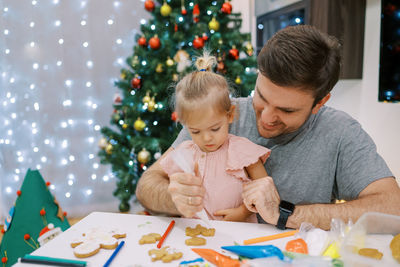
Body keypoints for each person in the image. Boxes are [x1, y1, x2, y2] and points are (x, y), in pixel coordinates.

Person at [136, 25, 400, 230]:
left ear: (320, 103)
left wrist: (287, 213)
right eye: (261, 97)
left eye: (287, 110)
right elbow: (147, 185)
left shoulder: (340, 132)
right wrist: (173, 198)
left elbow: (393, 208)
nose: (267, 118)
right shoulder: (217, 114)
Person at [159, 53, 271, 222]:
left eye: (215, 128)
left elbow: (264, 189)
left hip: (238, 232)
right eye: (195, 131)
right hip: (195, 231)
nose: (206, 138)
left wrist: (243, 211)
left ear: (230, 115)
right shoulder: (184, 153)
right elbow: (170, 188)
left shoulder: (240, 150)